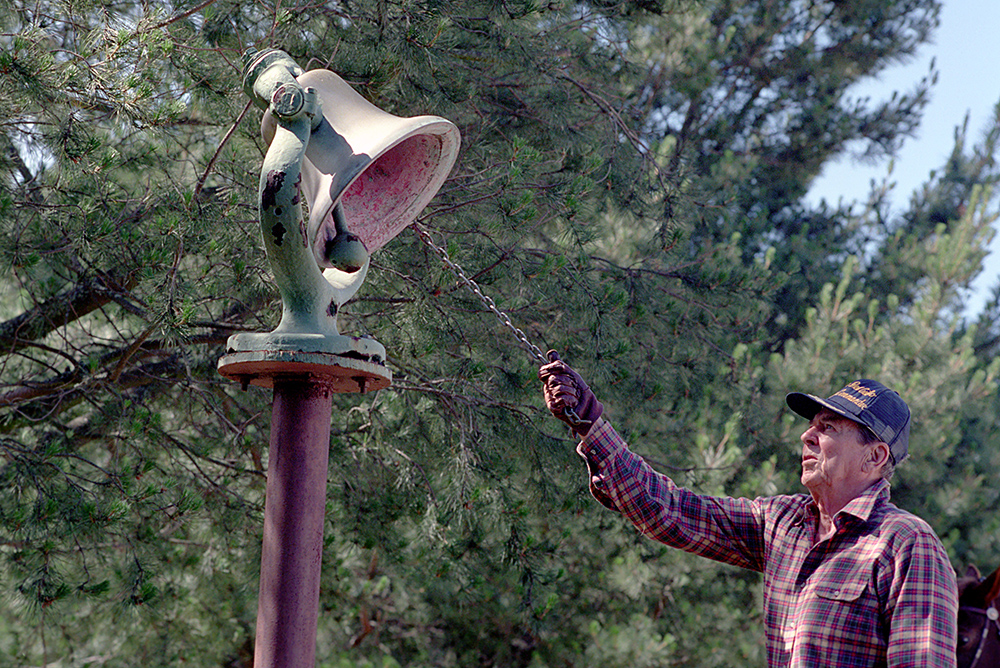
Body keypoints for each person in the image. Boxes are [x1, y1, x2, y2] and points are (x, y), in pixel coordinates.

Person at [539, 354, 958, 667]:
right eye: (813, 424)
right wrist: (590, 424)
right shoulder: (781, 523)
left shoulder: (907, 544)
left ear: (875, 456)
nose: (807, 435)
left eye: (828, 428)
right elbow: (668, 509)